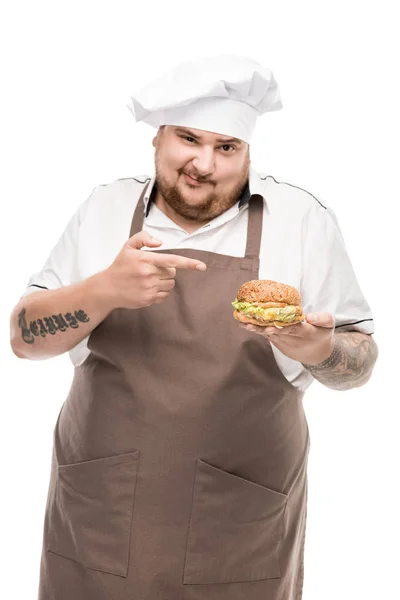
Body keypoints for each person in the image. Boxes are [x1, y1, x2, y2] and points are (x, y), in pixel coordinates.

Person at [10, 55, 378, 600]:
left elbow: (358, 366)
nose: (204, 164)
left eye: (226, 147)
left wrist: (318, 346)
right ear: (157, 138)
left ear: (248, 152)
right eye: (189, 139)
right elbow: (22, 338)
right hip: (101, 520)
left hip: (241, 525)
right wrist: (104, 290)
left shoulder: (300, 220)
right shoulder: (104, 209)